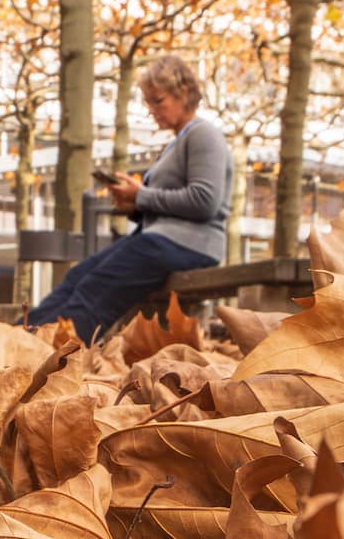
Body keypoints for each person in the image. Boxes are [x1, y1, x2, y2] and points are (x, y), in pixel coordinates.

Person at [24, 55, 233, 343]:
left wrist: (141, 196)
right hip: (163, 240)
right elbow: (171, 205)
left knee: (95, 288)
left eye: (157, 101)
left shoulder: (204, 135)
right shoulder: (178, 142)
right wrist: (135, 205)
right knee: (77, 278)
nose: (152, 110)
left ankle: (50, 352)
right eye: (148, 103)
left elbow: (205, 200)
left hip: (188, 244)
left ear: (183, 93)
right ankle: (20, 336)